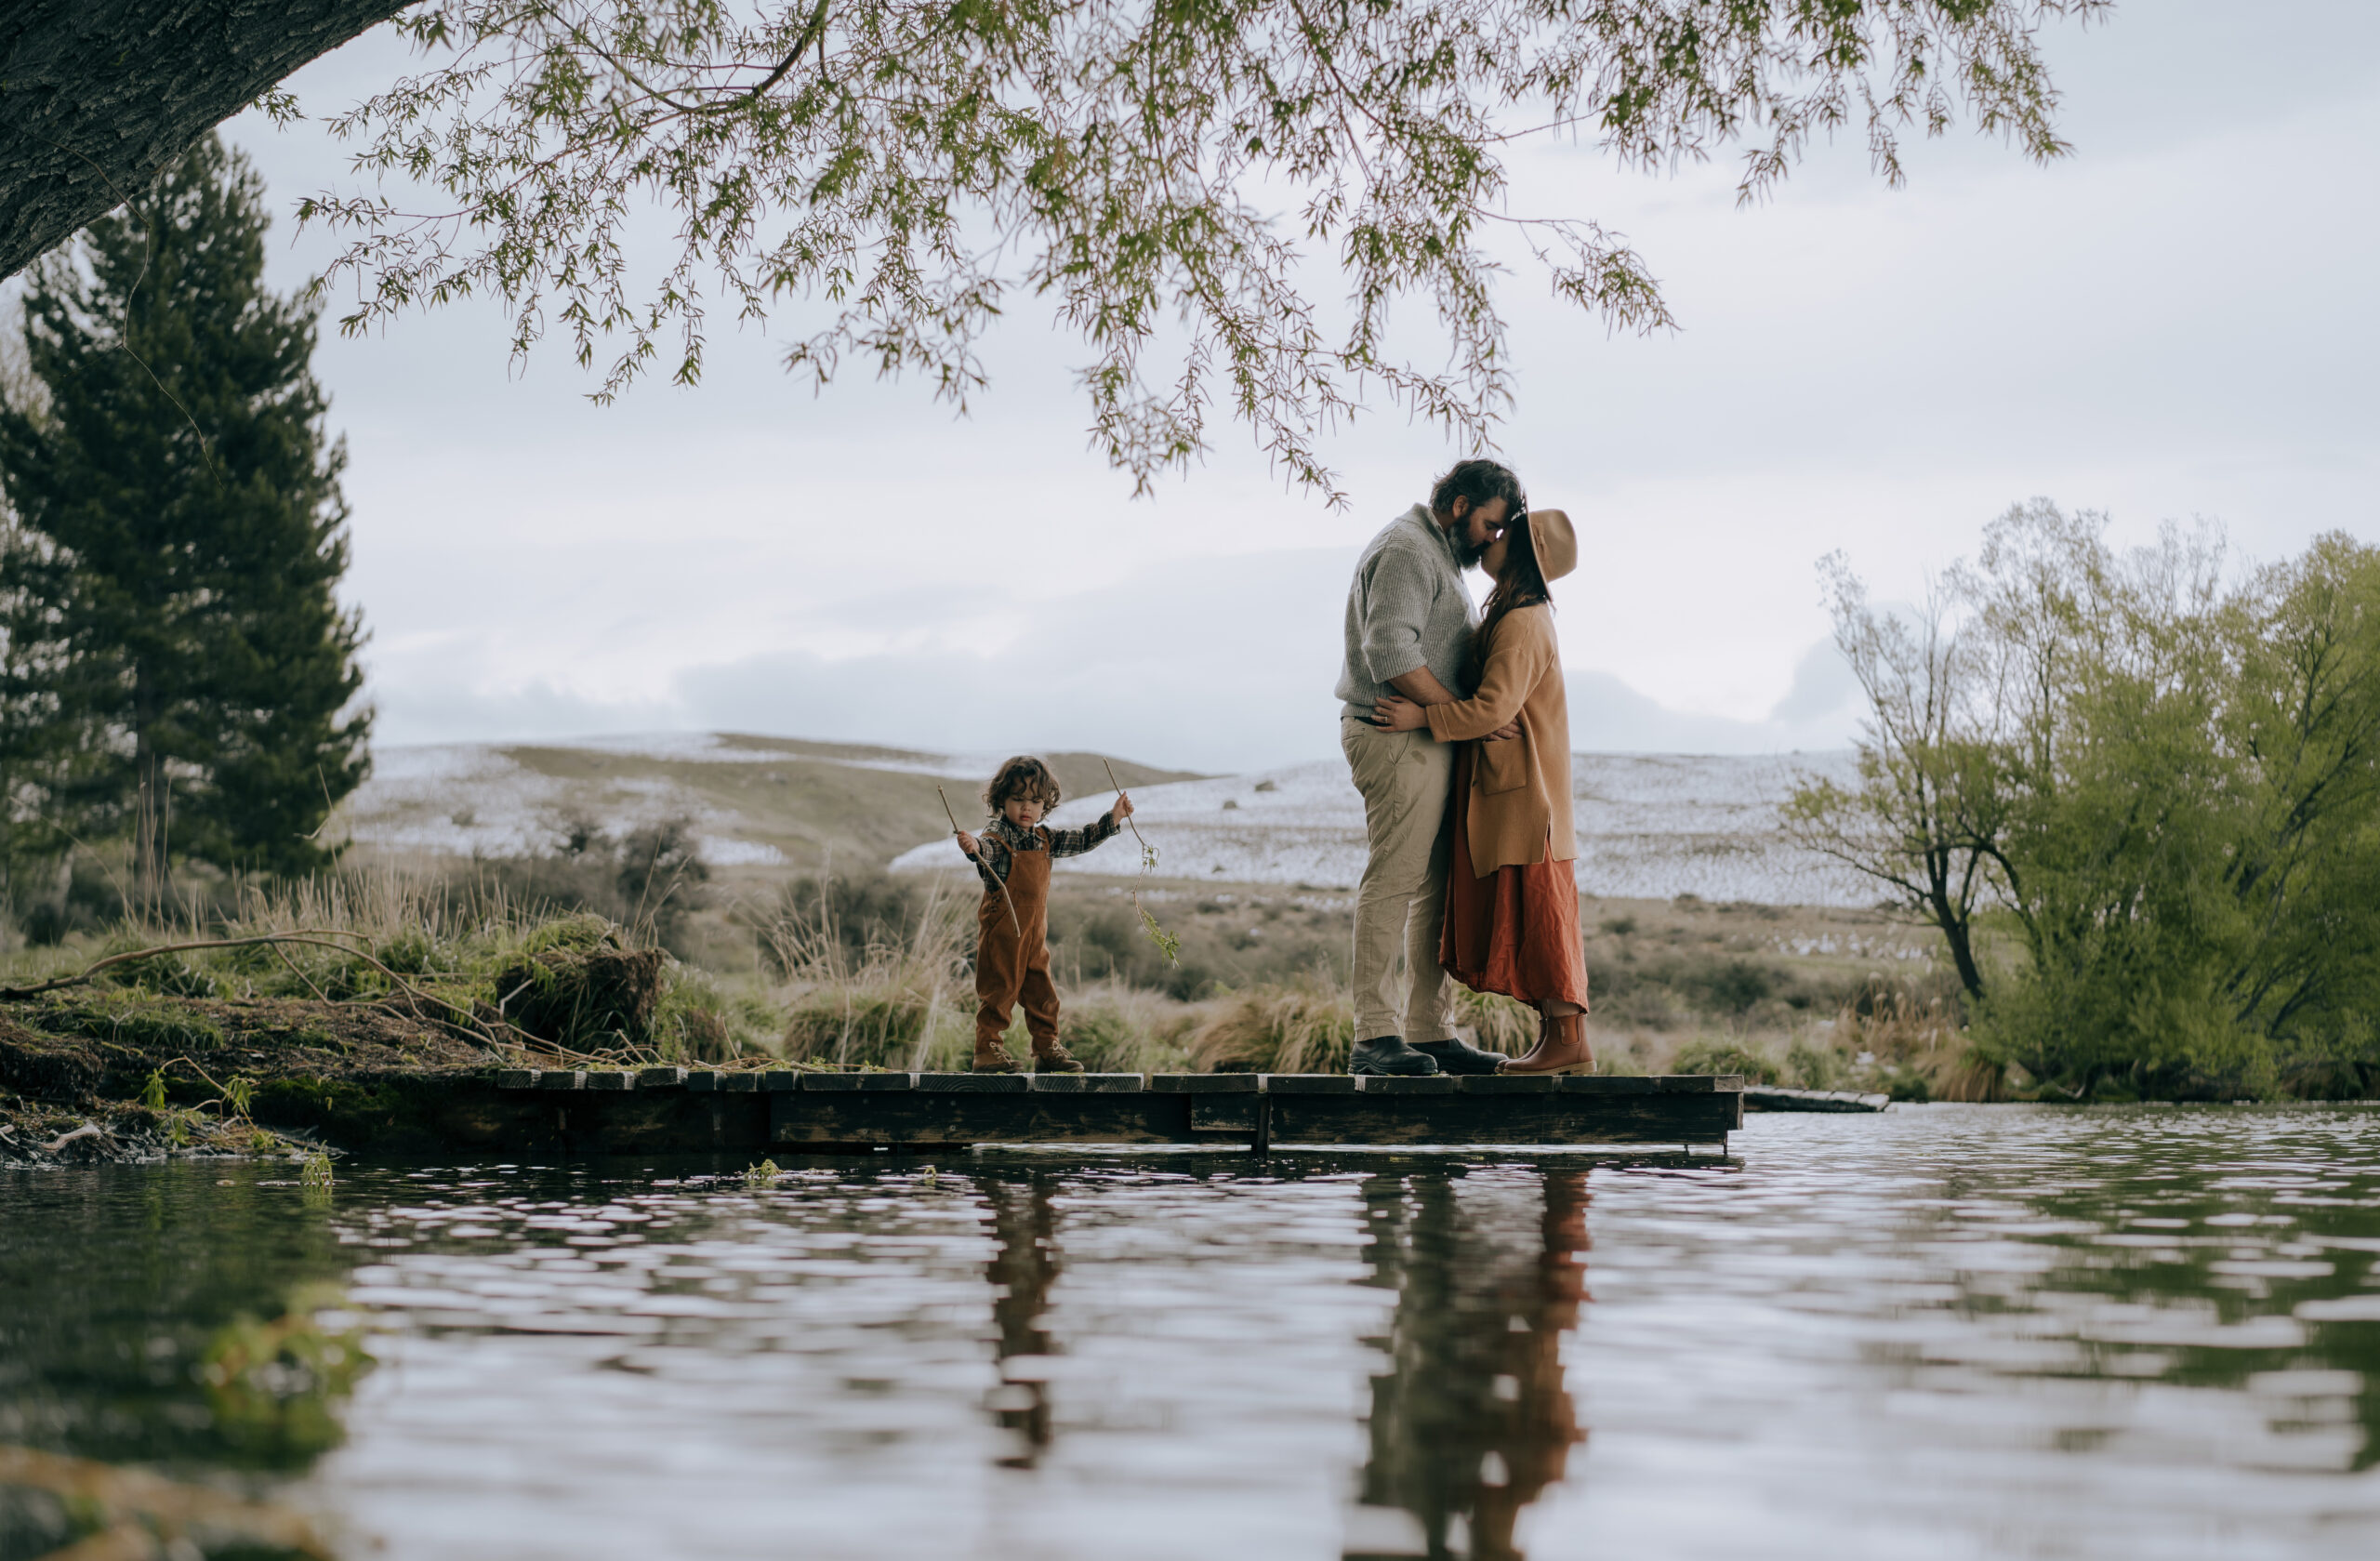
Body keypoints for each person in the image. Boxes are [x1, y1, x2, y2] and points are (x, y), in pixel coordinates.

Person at [1373, 507, 1593, 1076]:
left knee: (1540, 912)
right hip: (1516, 787)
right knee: (1533, 911)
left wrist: (1422, 717)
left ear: (1521, 552)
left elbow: (1495, 708)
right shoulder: (1519, 614)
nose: (1492, 539)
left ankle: (1568, 1041)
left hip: (1525, 793)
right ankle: (1561, 1041)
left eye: (1505, 533)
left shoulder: (1522, 624)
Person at [1334, 459, 1527, 1077]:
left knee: (1435, 886)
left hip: (1427, 737)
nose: (1494, 540)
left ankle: (1427, 1031)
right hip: (1392, 732)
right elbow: (1390, 650)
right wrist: (1462, 712)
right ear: (1460, 504)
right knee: (1395, 877)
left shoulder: (1438, 556)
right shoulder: (1407, 549)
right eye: (1491, 527)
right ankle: (1374, 1036)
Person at [954, 756, 1133, 1073]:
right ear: (1001, 800)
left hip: (1035, 934)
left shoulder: (1044, 839)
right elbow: (987, 849)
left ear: (1045, 805)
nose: (1027, 808)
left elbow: (1082, 839)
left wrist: (1114, 818)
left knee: (1043, 994)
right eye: (1018, 799)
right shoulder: (998, 836)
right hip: (1003, 931)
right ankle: (987, 1050)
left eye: (1035, 801)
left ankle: (1047, 1050)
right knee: (1000, 990)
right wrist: (974, 847)